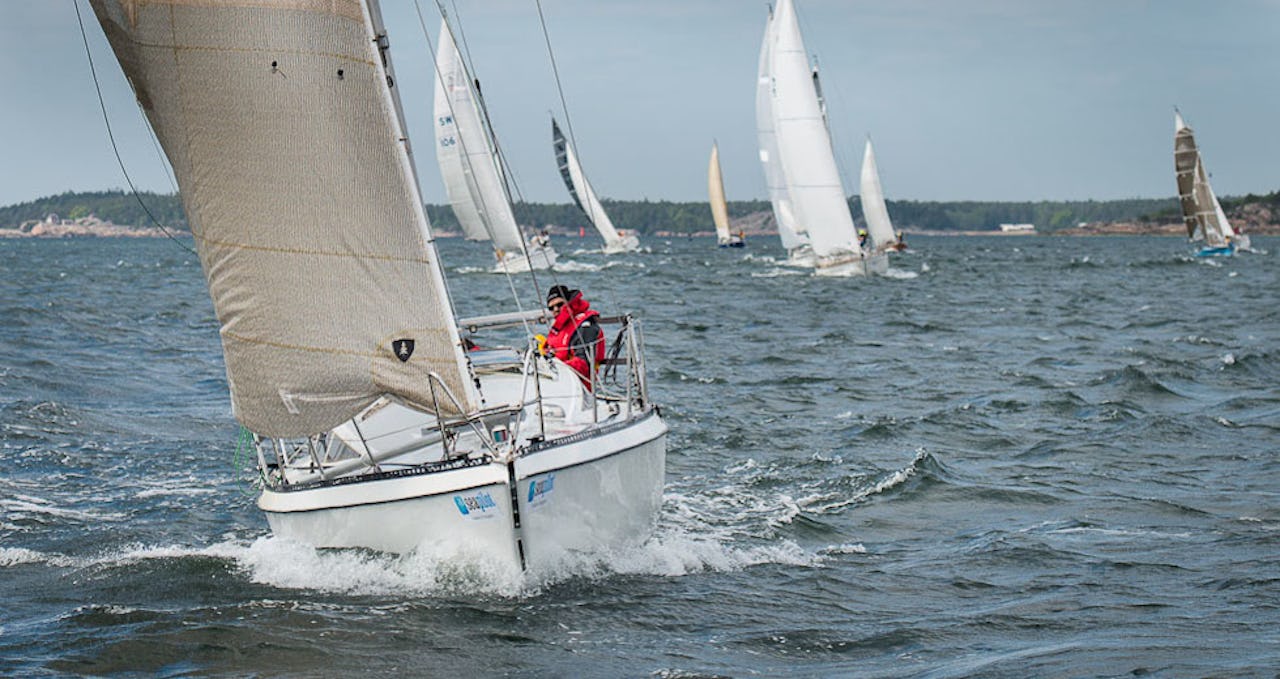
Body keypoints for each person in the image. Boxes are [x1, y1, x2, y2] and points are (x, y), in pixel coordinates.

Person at [542, 284, 605, 388]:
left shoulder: (585, 327)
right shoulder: (561, 328)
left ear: (569, 302)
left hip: (579, 387)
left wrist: (552, 367)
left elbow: (583, 364)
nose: (555, 309)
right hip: (557, 381)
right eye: (551, 308)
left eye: (560, 304)